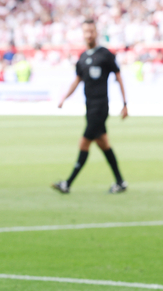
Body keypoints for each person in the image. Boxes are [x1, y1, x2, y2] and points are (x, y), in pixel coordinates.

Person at [53, 19, 128, 194]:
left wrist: (125, 104)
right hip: (89, 107)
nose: (89, 35)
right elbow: (77, 80)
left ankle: (67, 183)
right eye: (86, 32)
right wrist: (64, 98)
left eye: (91, 31)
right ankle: (120, 182)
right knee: (104, 144)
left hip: (100, 107)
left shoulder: (105, 54)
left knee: (84, 142)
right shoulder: (83, 57)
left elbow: (118, 77)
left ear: (96, 33)